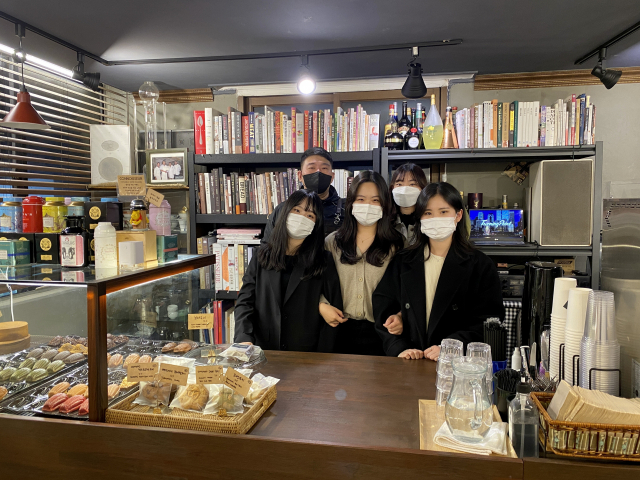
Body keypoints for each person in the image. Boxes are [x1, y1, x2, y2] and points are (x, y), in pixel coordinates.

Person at [373, 182, 504, 361]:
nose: (436, 218)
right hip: (410, 362)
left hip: (458, 364)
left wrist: (451, 346)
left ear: (458, 215)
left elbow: (489, 320)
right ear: (420, 217)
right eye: (428, 213)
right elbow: (384, 306)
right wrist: (399, 345)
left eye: (443, 212)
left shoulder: (480, 265)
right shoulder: (403, 261)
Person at [234, 190, 343, 352]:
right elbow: (245, 301)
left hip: (307, 353)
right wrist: (244, 338)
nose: (302, 218)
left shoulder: (323, 260)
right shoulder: (261, 255)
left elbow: (333, 308)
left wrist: (324, 357)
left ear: (316, 224)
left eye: (310, 215)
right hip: (263, 348)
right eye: (297, 210)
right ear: (285, 213)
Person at [319, 170, 404, 356]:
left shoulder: (397, 245)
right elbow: (313, 282)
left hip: (383, 334)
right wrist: (321, 305)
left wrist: (400, 316)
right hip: (338, 332)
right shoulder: (332, 243)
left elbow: (409, 291)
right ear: (351, 203)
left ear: (384, 204)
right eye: (361, 199)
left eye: (375, 200)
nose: (368, 206)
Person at [262, 147, 344, 242]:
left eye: (324, 168)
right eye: (311, 168)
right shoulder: (283, 209)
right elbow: (267, 245)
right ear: (300, 176)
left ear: (332, 177)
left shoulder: (346, 209)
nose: (318, 172)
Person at [389, 163, 428, 246]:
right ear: (392, 188)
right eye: (399, 184)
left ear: (422, 188)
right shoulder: (385, 221)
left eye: (412, 184)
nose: (404, 190)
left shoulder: (428, 220)